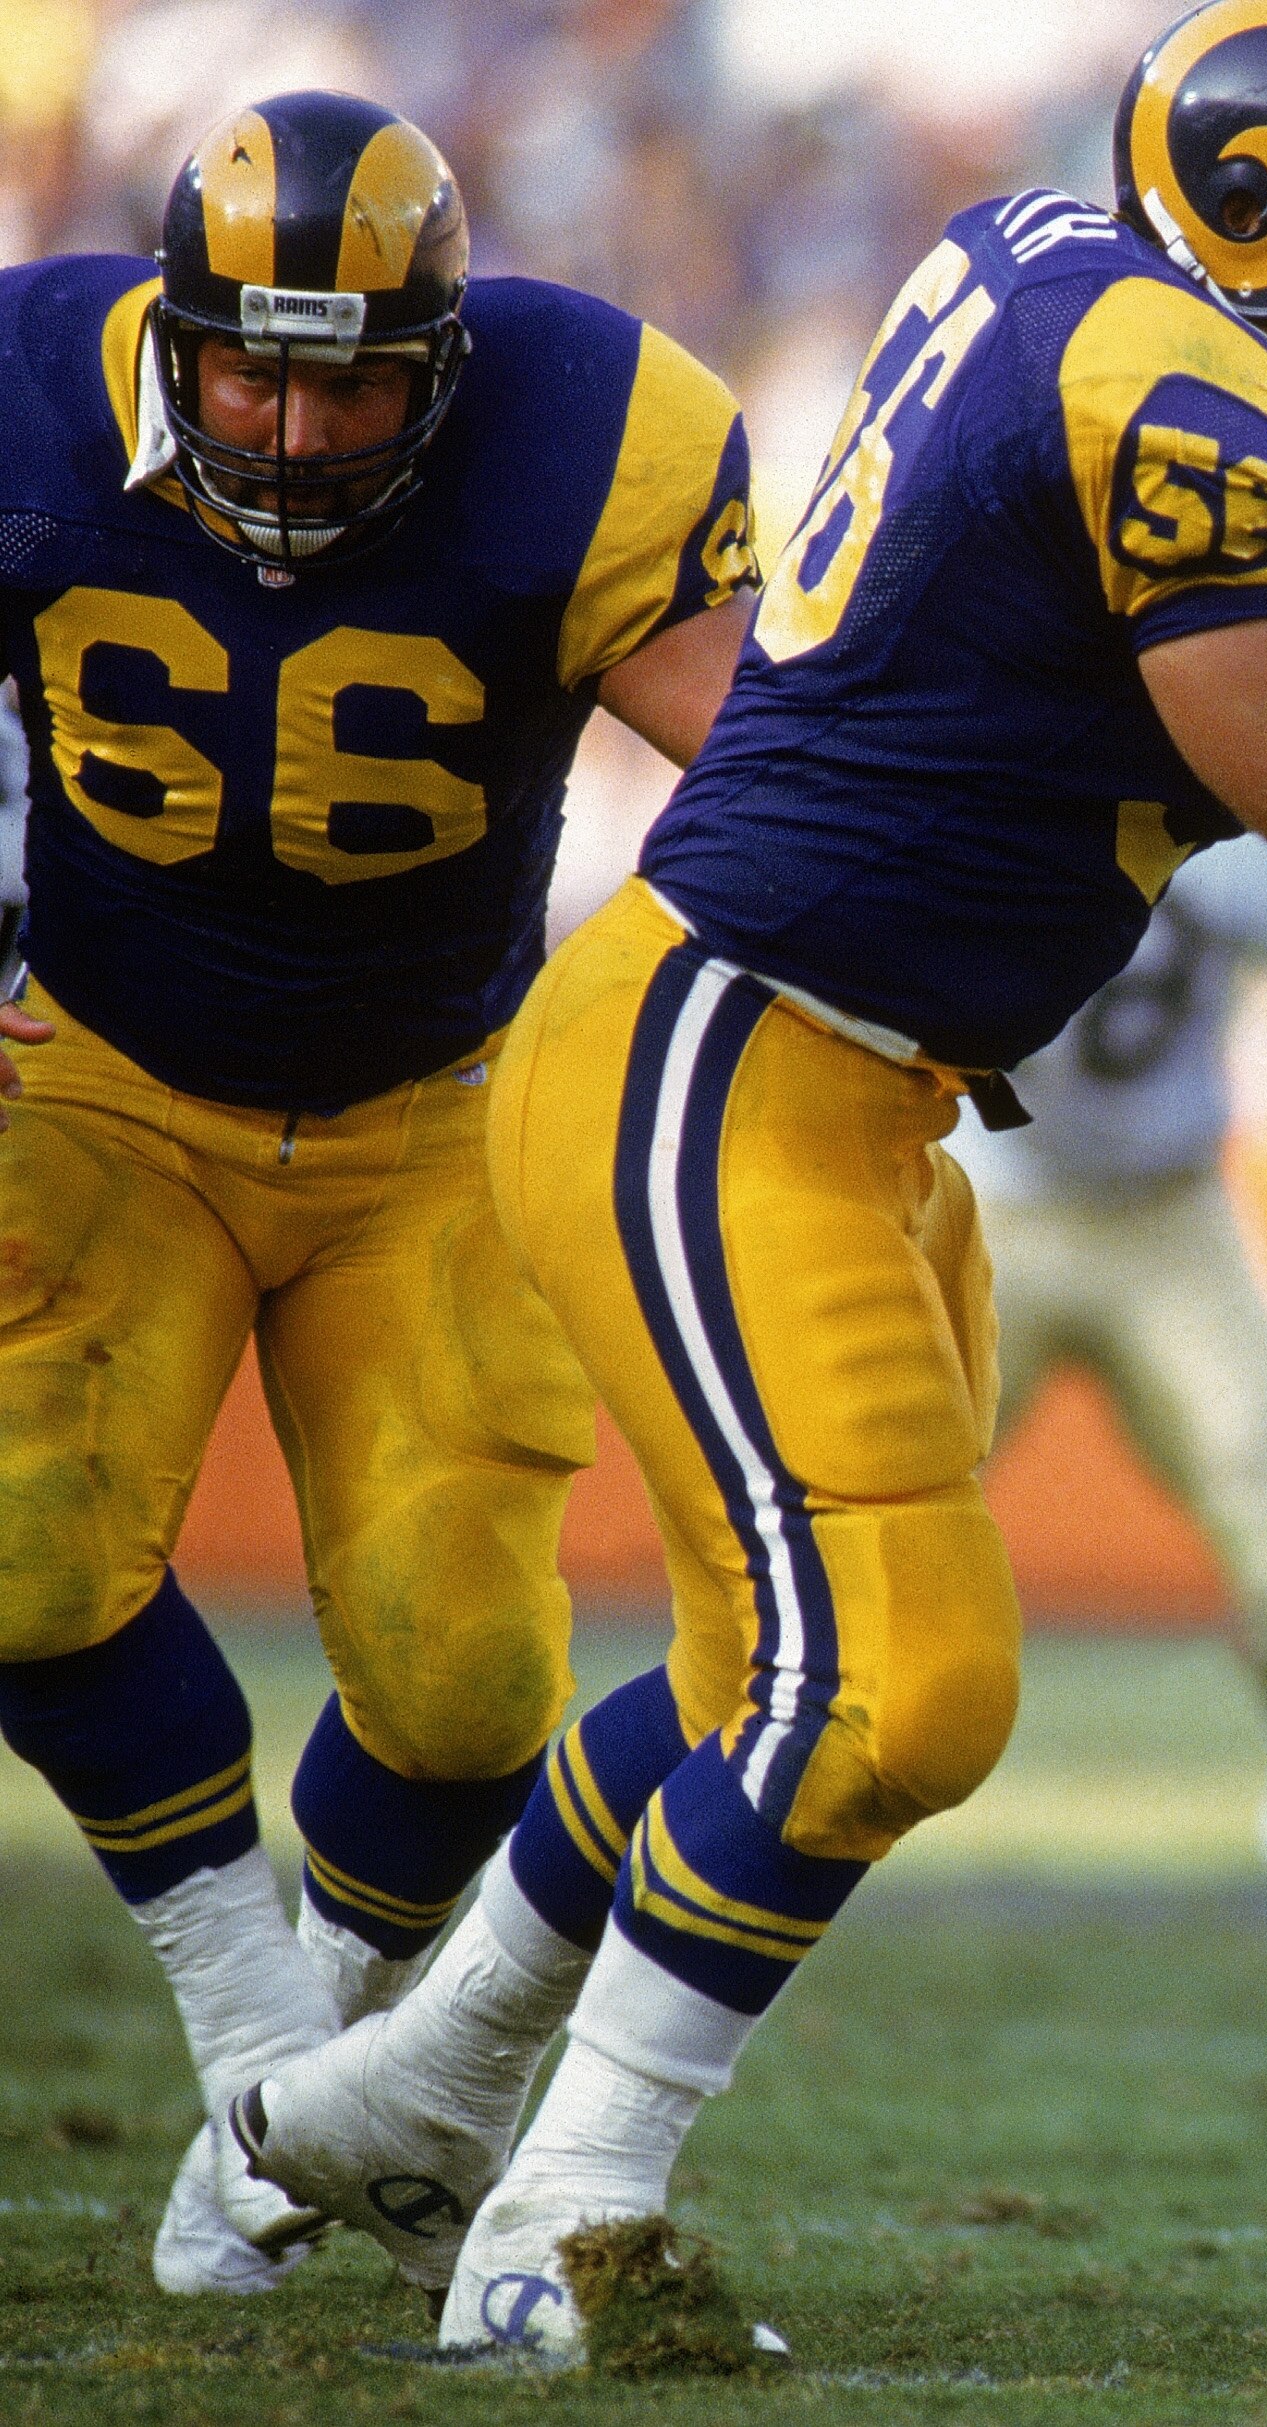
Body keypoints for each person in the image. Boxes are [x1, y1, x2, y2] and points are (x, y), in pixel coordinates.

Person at [228, 0, 1267, 2360]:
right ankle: (562, 2207)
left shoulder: (1062, 274)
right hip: (735, 1052)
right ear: (1251, 206)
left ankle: (406, 2090)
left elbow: (1004, 688)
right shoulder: (1200, 409)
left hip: (849, 1086)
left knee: (759, 1675)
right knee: (901, 1685)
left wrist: (1264, 720)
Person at [0, 89, 753, 2302]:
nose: (302, 423)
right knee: (22, 1538)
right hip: (106, 1074)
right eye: (256, 366)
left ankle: (296, 2097)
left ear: (446, 359)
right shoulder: (26, 394)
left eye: (356, 378)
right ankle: (269, 2039)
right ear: (171, 327)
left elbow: (762, 744)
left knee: (458, 1674)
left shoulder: (590, 430)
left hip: (440, 1101)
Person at [951, 831, 1267, 1988]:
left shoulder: (1228, 837)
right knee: (870, 1527)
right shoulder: (996, 787)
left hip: (1176, 1222)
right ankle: (745, 1794)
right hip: (991, 1213)